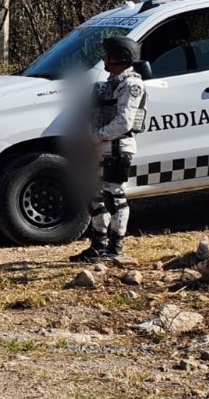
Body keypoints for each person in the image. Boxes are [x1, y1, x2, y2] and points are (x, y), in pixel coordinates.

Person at [71, 36, 147, 262]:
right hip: (99, 146)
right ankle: (99, 245)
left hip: (117, 147)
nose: (104, 58)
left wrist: (96, 136)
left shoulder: (132, 85)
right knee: (92, 195)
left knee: (114, 195)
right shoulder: (108, 84)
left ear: (121, 56)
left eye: (108, 54)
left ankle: (116, 247)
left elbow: (124, 121)